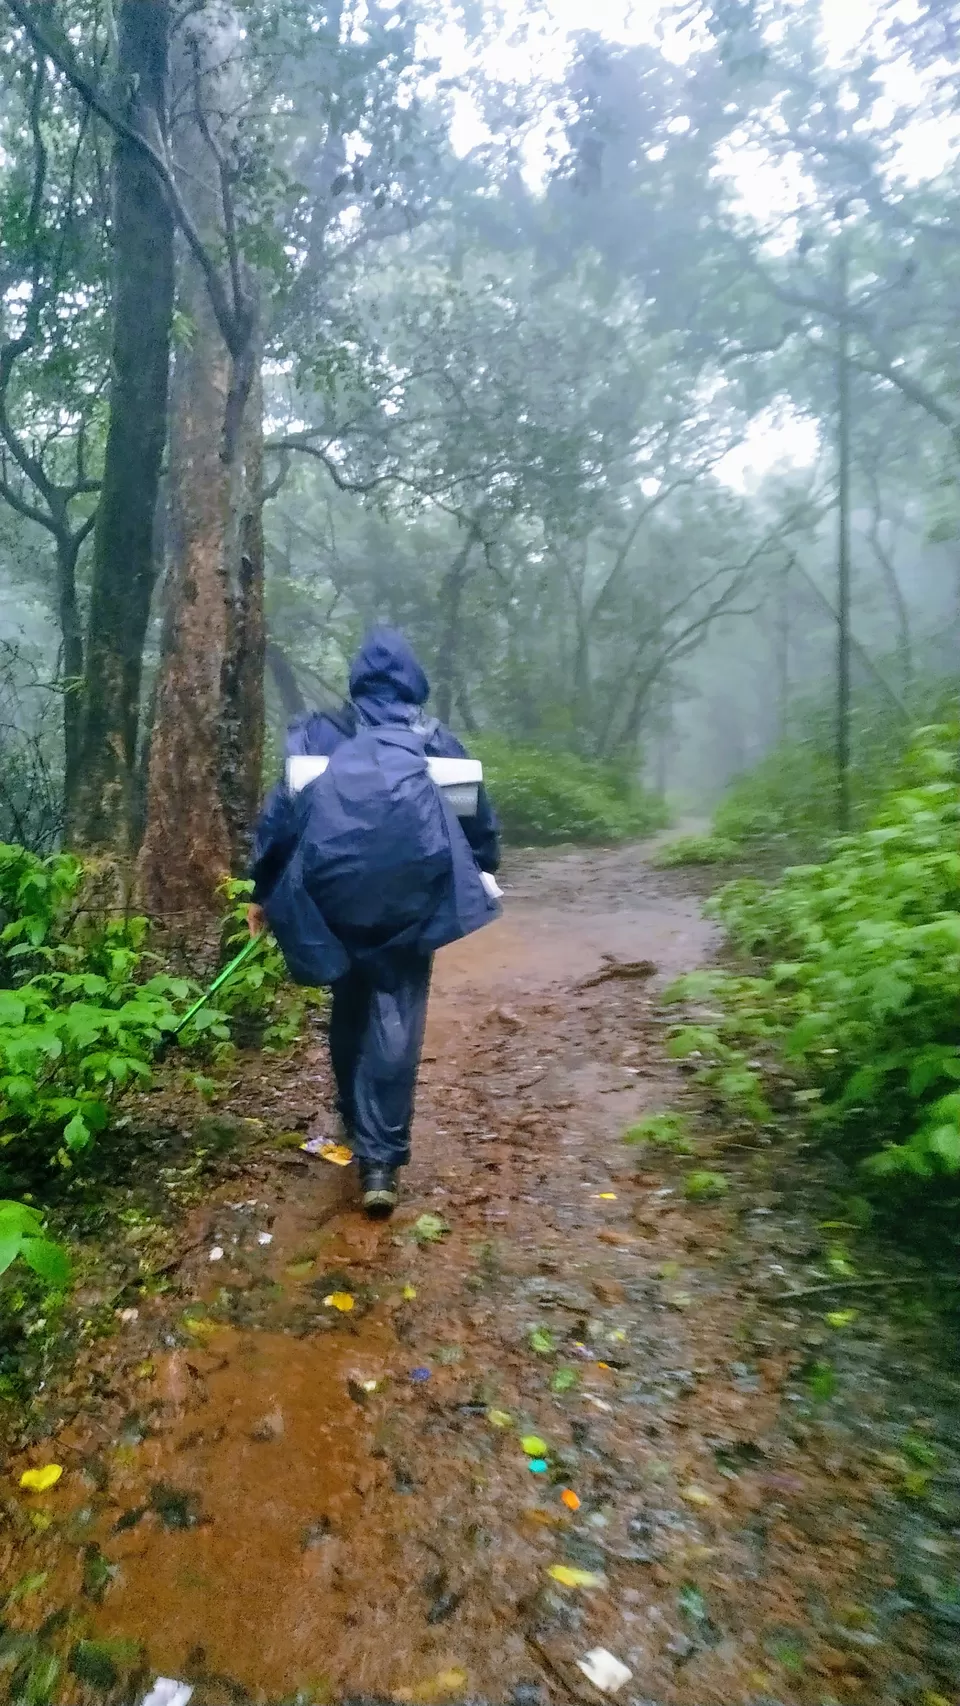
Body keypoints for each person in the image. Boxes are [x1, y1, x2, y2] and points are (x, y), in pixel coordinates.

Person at [248, 627, 501, 1218]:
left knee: (349, 1002)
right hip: (409, 904)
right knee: (397, 1014)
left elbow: (282, 816)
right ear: (414, 679)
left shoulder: (317, 732)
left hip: (333, 900)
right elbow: (474, 815)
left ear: (357, 678)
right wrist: (482, 867)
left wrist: (264, 890)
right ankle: (380, 1163)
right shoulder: (435, 738)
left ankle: (351, 1112)